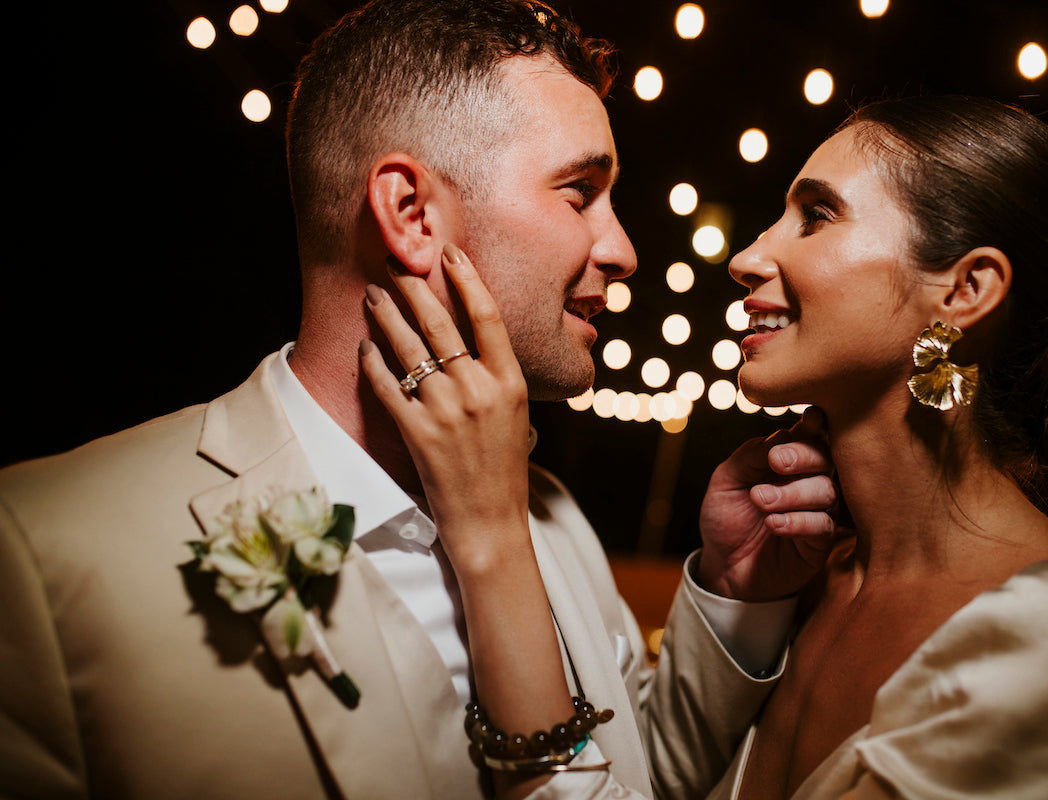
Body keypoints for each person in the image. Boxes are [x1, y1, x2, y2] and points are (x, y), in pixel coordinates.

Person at [0, 1, 834, 798]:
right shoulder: (40, 550)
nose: (622, 251)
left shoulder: (550, 514)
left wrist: (737, 592)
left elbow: (633, 773)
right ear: (410, 213)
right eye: (580, 193)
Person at [674, 95, 1048, 799]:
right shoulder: (794, 587)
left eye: (816, 216)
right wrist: (734, 594)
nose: (747, 257)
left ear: (965, 290)